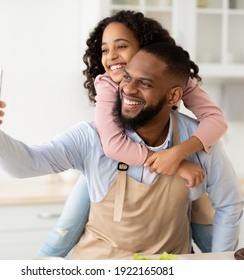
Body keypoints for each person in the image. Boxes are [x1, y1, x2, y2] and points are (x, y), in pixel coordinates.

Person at [0, 42, 244, 259]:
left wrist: (219, 265)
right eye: (127, 77)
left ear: (173, 96)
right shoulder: (92, 137)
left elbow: (229, 205)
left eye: (145, 83)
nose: (128, 89)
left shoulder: (195, 140)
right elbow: (27, 164)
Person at [37, 11, 227, 257]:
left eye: (122, 46)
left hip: (163, 161)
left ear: (145, 50)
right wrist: (177, 165)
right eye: (105, 50)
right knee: (66, 228)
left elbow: (216, 121)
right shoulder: (107, 83)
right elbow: (113, 145)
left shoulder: (176, 81)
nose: (111, 56)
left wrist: (179, 152)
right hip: (110, 165)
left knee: (200, 221)